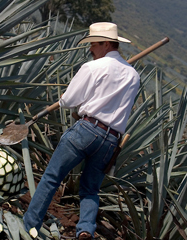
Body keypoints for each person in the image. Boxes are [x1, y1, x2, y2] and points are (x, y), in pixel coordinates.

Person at [23, 22, 140, 240]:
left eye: (93, 44)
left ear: (105, 44)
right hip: (111, 140)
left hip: (87, 130)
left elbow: (68, 100)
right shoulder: (133, 76)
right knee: (90, 190)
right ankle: (85, 229)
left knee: (51, 178)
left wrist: (84, 101)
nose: (90, 49)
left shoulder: (93, 67)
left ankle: (29, 225)